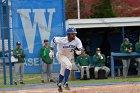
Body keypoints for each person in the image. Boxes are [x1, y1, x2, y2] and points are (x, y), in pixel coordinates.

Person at [49, 27, 83, 92]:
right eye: (72, 34)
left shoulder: (77, 40)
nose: (74, 35)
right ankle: (65, 83)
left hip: (68, 57)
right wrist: (51, 50)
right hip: (60, 55)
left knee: (63, 70)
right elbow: (53, 40)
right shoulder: (62, 39)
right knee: (69, 65)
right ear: (68, 34)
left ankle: (59, 84)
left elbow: (81, 48)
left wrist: (80, 51)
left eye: (74, 33)